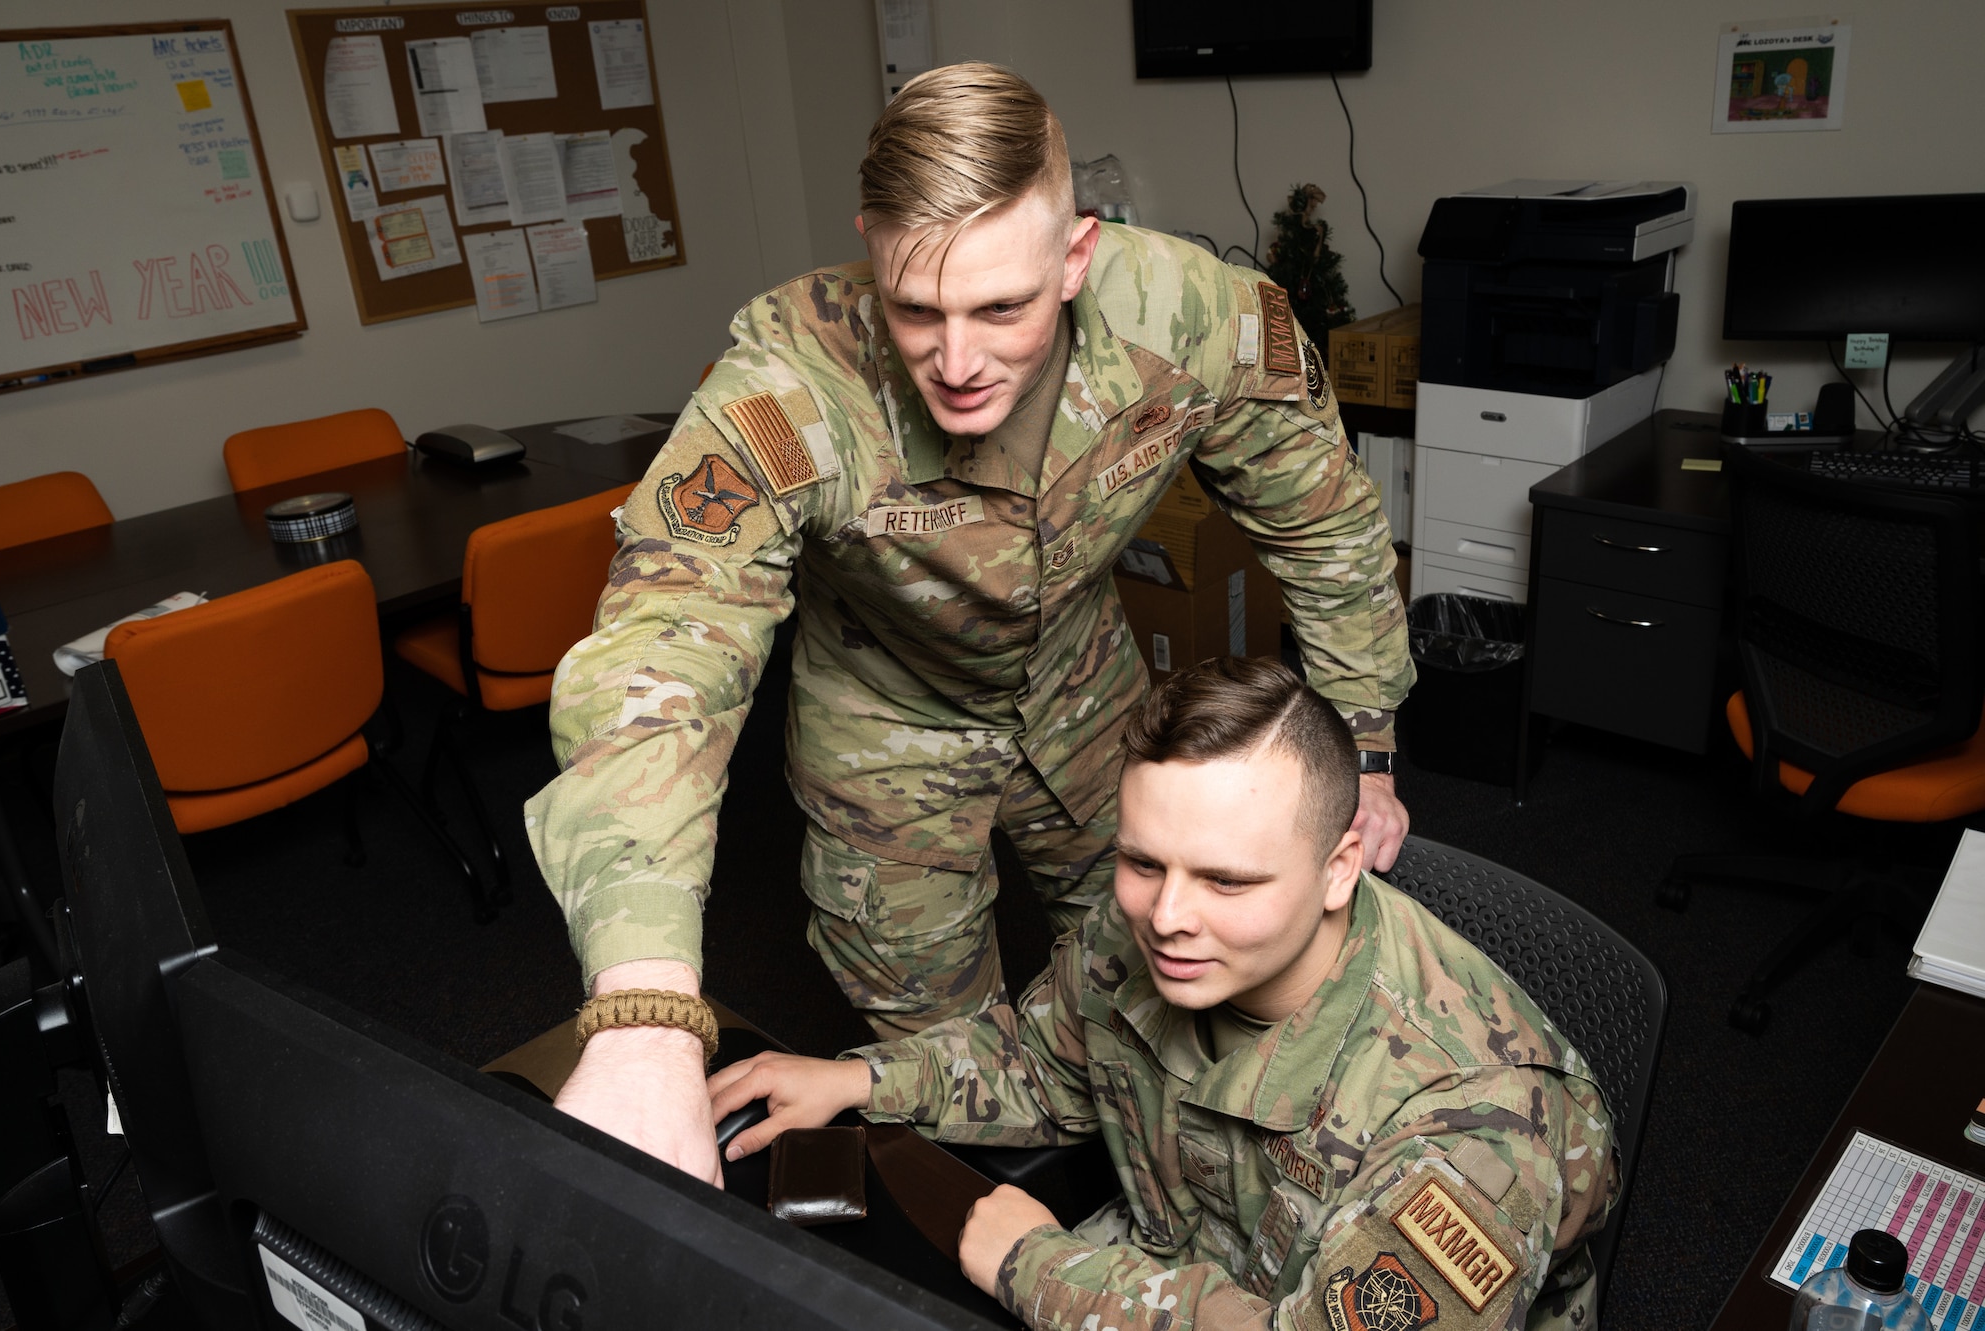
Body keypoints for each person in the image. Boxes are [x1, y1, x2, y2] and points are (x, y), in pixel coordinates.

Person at [526, 62, 1415, 1185]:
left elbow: (1322, 522)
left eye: (1003, 306)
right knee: (941, 1072)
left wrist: (1365, 745)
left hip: (1086, 701)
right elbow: (664, 641)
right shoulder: (794, 383)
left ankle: (1182, 1233)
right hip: (881, 734)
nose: (956, 362)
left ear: (1076, 256)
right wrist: (641, 1005)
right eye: (915, 306)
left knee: (1176, 981)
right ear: (870, 248)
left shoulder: (1192, 320)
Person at [708, 657, 1617, 1331]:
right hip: (1172, 1261)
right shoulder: (1150, 920)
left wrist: (1040, 1266)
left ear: (1339, 870)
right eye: (1143, 861)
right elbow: (1039, 1059)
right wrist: (861, 1082)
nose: (1165, 916)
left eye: (1228, 881)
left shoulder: (1482, 1121)